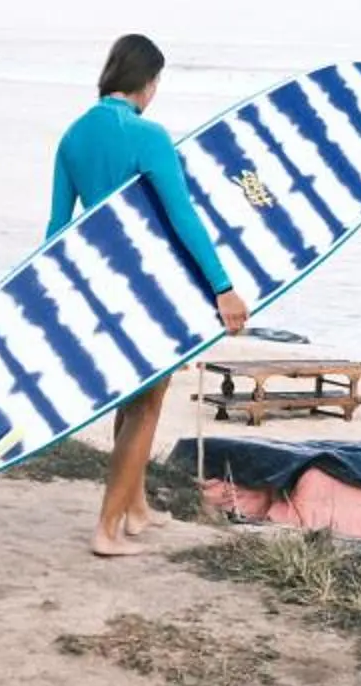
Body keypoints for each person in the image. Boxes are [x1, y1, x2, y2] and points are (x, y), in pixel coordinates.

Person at [48, 33, 249, 559]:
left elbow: (55, 232)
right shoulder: (149, 135)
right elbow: (184, 219)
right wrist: (222, 288)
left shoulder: (72, 137)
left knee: (129, 397)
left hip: (97, 289)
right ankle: (106, 530)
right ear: (149, 82)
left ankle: (134, 510)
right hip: (146, 290)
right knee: (146, 406)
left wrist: (57, 300)